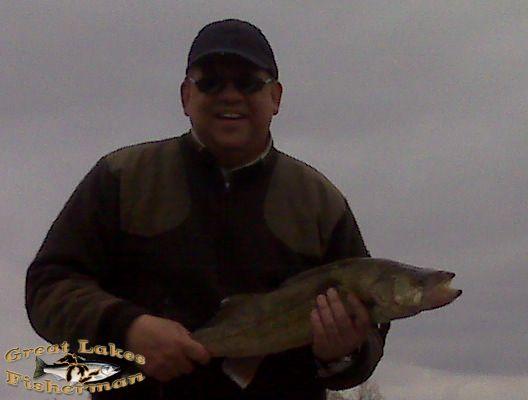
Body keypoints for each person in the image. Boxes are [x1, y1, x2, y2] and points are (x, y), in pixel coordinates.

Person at [25, 19, 389, 399]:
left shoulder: (320, 202)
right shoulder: (120, 178)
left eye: (248, 82)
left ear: (276, 97)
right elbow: (48, 286)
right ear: (186, 96)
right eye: (210, 82)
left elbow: (371, 337)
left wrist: (343, 354)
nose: (230, 95)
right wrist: (128, 327)